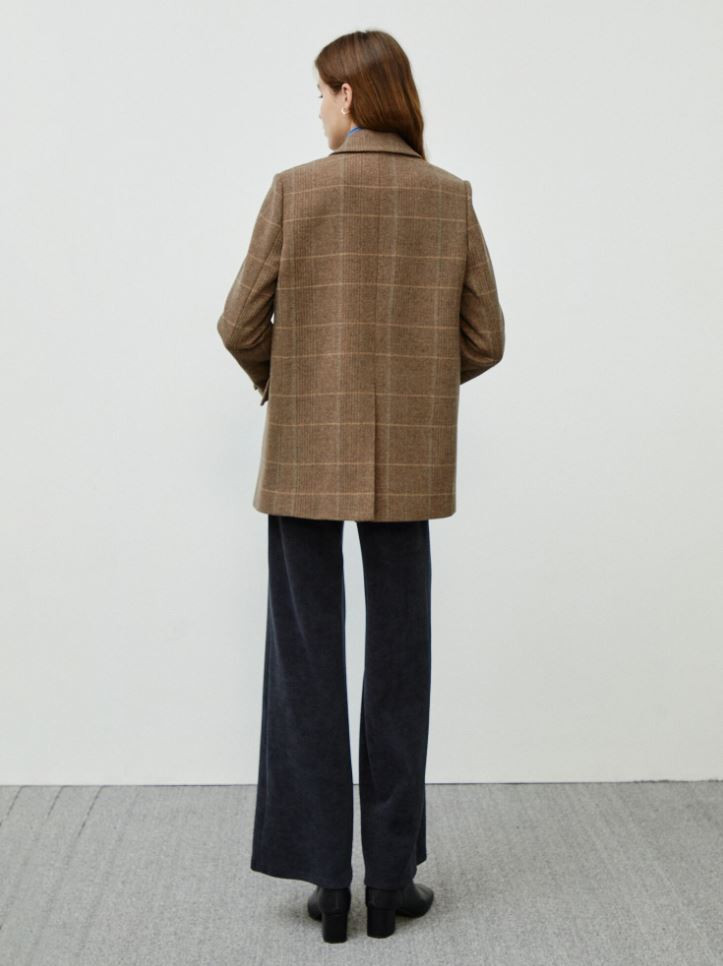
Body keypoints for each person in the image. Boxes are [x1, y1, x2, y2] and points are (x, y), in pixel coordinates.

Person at [216, 29, 505, 943]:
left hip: (305, 453)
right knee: (399, 661)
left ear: (348, 94)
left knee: (304, 661)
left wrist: (295, 382)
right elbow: (485, 339)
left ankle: (325, 880)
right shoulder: (448, 196)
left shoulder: (295, 190)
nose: (317, 110)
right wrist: (415, 389)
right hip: (408, 464)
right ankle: (389, 881)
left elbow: (237, 323)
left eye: (319, 93)